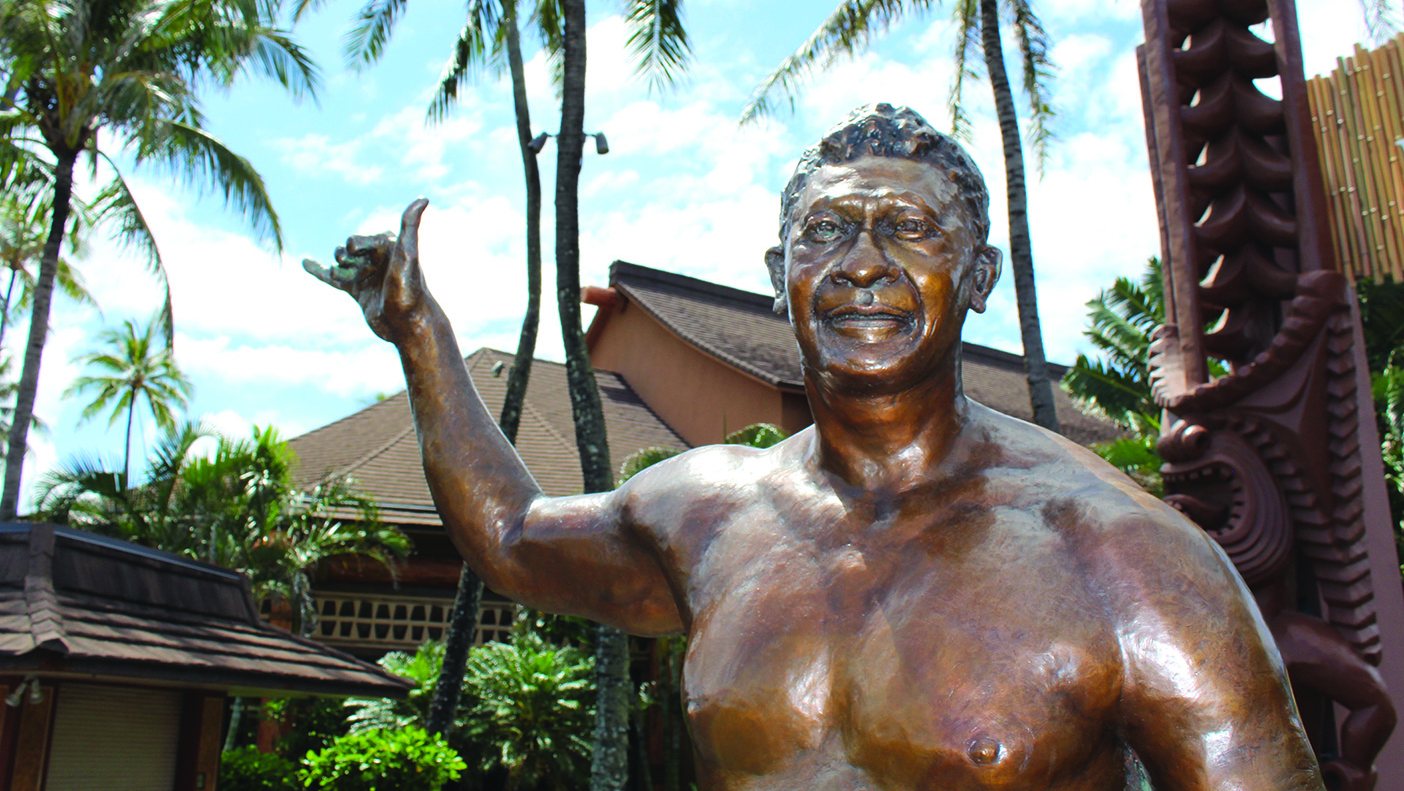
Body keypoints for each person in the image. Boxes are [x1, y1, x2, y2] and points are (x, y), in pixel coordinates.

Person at [307, 103, 1323, 790]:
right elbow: (514, 537)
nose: (861, 267)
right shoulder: (710, 516)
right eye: (826, 233)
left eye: (909, 232)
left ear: (976, 274)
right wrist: (422, 337)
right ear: (777, 273)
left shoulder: (1120, 557)